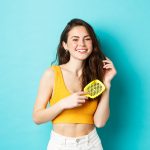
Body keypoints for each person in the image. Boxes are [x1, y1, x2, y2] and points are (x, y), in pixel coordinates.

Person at [32, 18, 117, 150]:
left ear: (93, 44)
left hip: (92, 143)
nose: (82, 44)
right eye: (75, 39)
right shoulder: (52, 74)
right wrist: (63, 104)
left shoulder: (96, 78)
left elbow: (100, 123)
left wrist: (106, 84)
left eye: (87, 39)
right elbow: (37, 117)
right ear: (65, 45)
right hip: (60, 145)